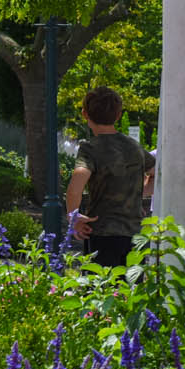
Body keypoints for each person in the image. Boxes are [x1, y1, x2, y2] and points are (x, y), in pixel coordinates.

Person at [66, 86, 154, 267]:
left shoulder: (90, 149)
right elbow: (156, 174)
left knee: (100, 290)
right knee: (131, 291)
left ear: (85, 114)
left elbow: (75, 188)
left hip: (101, 233)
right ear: (119, 115)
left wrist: (73, 218)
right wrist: (137, 193)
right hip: (135, 235)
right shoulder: (134, 147)